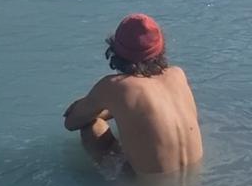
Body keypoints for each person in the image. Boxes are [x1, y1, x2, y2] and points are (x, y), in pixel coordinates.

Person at [63, 13, 203, 176]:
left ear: (115, 50)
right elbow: (148, 109)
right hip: (194, 174)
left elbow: (71, 122)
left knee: (91, 126)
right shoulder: (178, 74)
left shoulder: (115, 86)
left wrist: (88, 106)